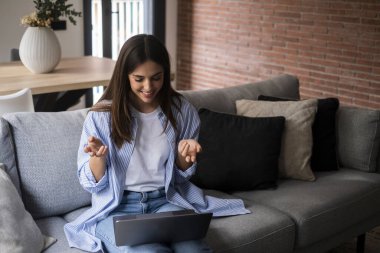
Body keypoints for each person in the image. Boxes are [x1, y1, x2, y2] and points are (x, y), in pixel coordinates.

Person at [64, 34, 250, 253]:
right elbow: (90, 184)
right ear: (125, 76)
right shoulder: (102, 116)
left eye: (156, 77)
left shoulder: (181, 111)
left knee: (194, 249)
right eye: (139, 78)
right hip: (117, 208)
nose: (148, 86)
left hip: (165, 200)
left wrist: (184, 158)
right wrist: (98, 159)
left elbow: (181, 177)